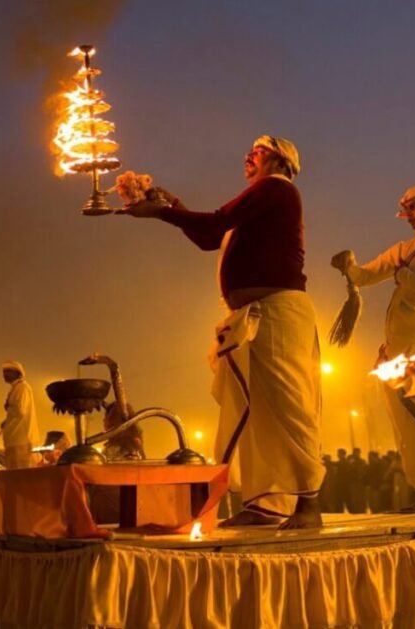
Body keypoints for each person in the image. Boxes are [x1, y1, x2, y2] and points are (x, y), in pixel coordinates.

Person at [122, 135, 324, 529]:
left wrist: (162, 213)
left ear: (281, 161)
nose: (248, 155)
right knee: (253, 412)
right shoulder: (261, 200)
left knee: (286, 407)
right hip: (251, 318)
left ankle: (309, 502)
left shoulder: (276, 189)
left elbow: (215, 222)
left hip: (277, 314)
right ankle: (266, 505)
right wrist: (173, 207)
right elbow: (210, 237)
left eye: (259, 150)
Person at [331, 183, 415, 511]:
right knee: (406, 421)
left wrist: (403, 276)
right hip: (398, 346)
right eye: (407, 210)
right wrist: (348, 267)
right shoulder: (403, 248)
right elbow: (365, 276)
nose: (409, 216)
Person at [0, 360, 40, 470]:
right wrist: (6, 421)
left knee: (22, 474)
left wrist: (8, 409)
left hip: (22, 440)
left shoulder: (22, 388)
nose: (5, 374)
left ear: (18, 373)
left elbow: (20, 411)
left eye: (8, 371)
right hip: (14, 440)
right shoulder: (15, 388)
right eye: (3, 371)